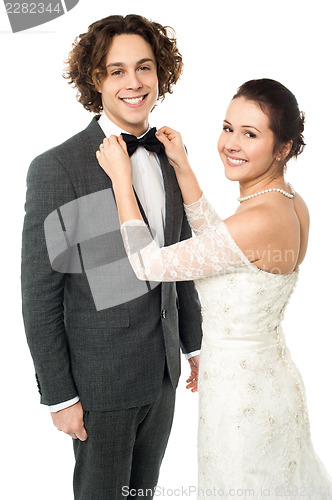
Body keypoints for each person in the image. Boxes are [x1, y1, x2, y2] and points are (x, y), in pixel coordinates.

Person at [96, 78, 332, 499]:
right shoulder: (291, 203)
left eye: (250, 134)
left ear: (283, 148)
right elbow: (223, 250)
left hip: (243, 402)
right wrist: (183, 167)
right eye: (228, 128)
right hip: (259, 378)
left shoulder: (260, 219)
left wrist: (120, 179)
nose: (232, 144)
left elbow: (148, 265)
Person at [21, 14, 202, 500]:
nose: (134, 82)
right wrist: (59, 395)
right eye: (116, 70)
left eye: (144, 67)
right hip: (99, 387)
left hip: (163, 379)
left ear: (160, 73)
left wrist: (195, 346)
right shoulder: (57, 167)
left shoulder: (169, 155)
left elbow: (181, 259)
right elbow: (40, 293)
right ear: (95, 80)